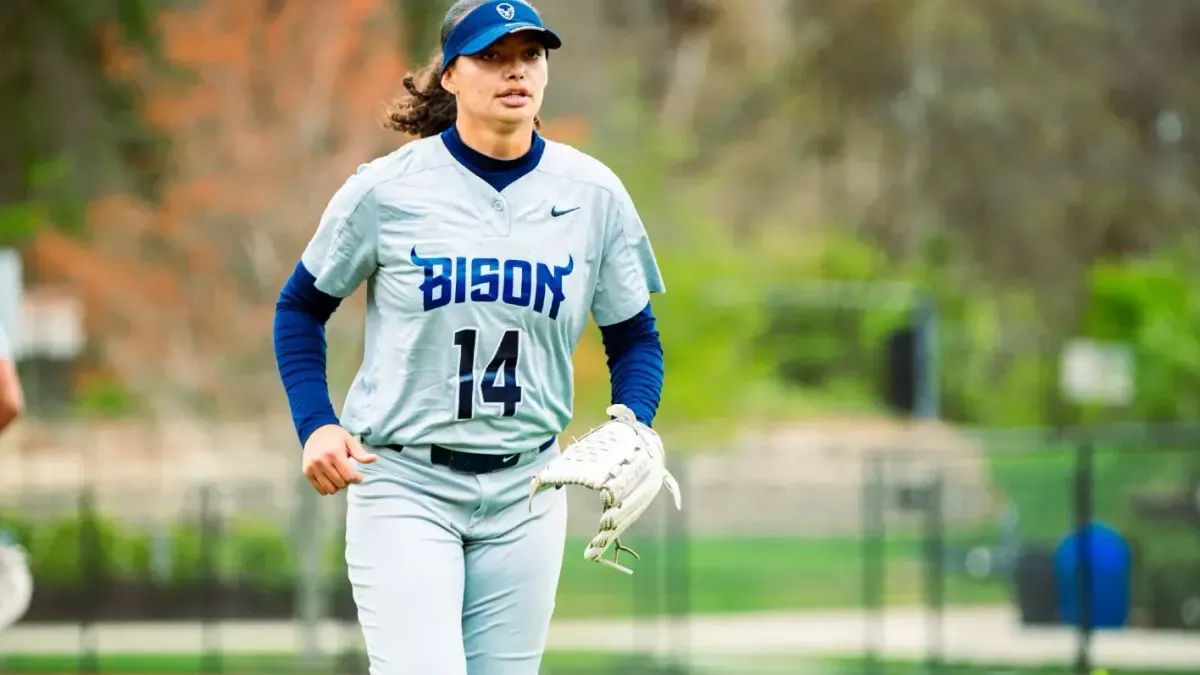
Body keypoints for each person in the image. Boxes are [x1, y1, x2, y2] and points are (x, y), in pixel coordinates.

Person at [272, 1, 668, 673]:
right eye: (492, 56)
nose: (515, 72)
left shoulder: (592, 193)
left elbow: (635, 338)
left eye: (531, 55)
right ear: (449, 76)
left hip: (527, 490)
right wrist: (316, 423)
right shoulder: (387, 190)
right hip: (404, 481)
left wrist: (634, 422)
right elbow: (299, 308)